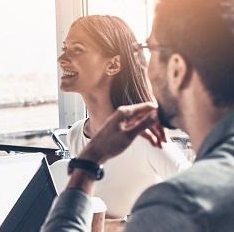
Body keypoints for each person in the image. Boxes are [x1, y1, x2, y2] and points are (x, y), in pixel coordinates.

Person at [42, 0, 234, 232]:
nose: (143, 64)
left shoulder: (175, 206)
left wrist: (87, 164)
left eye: (150, 50)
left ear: (177, 69)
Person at [58, 15, 189, 218]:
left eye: (77, 50)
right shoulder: (76, 134)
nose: (62, 59)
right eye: (65, 48)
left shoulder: (144, 137)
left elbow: (198, 196)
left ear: (113, 65)